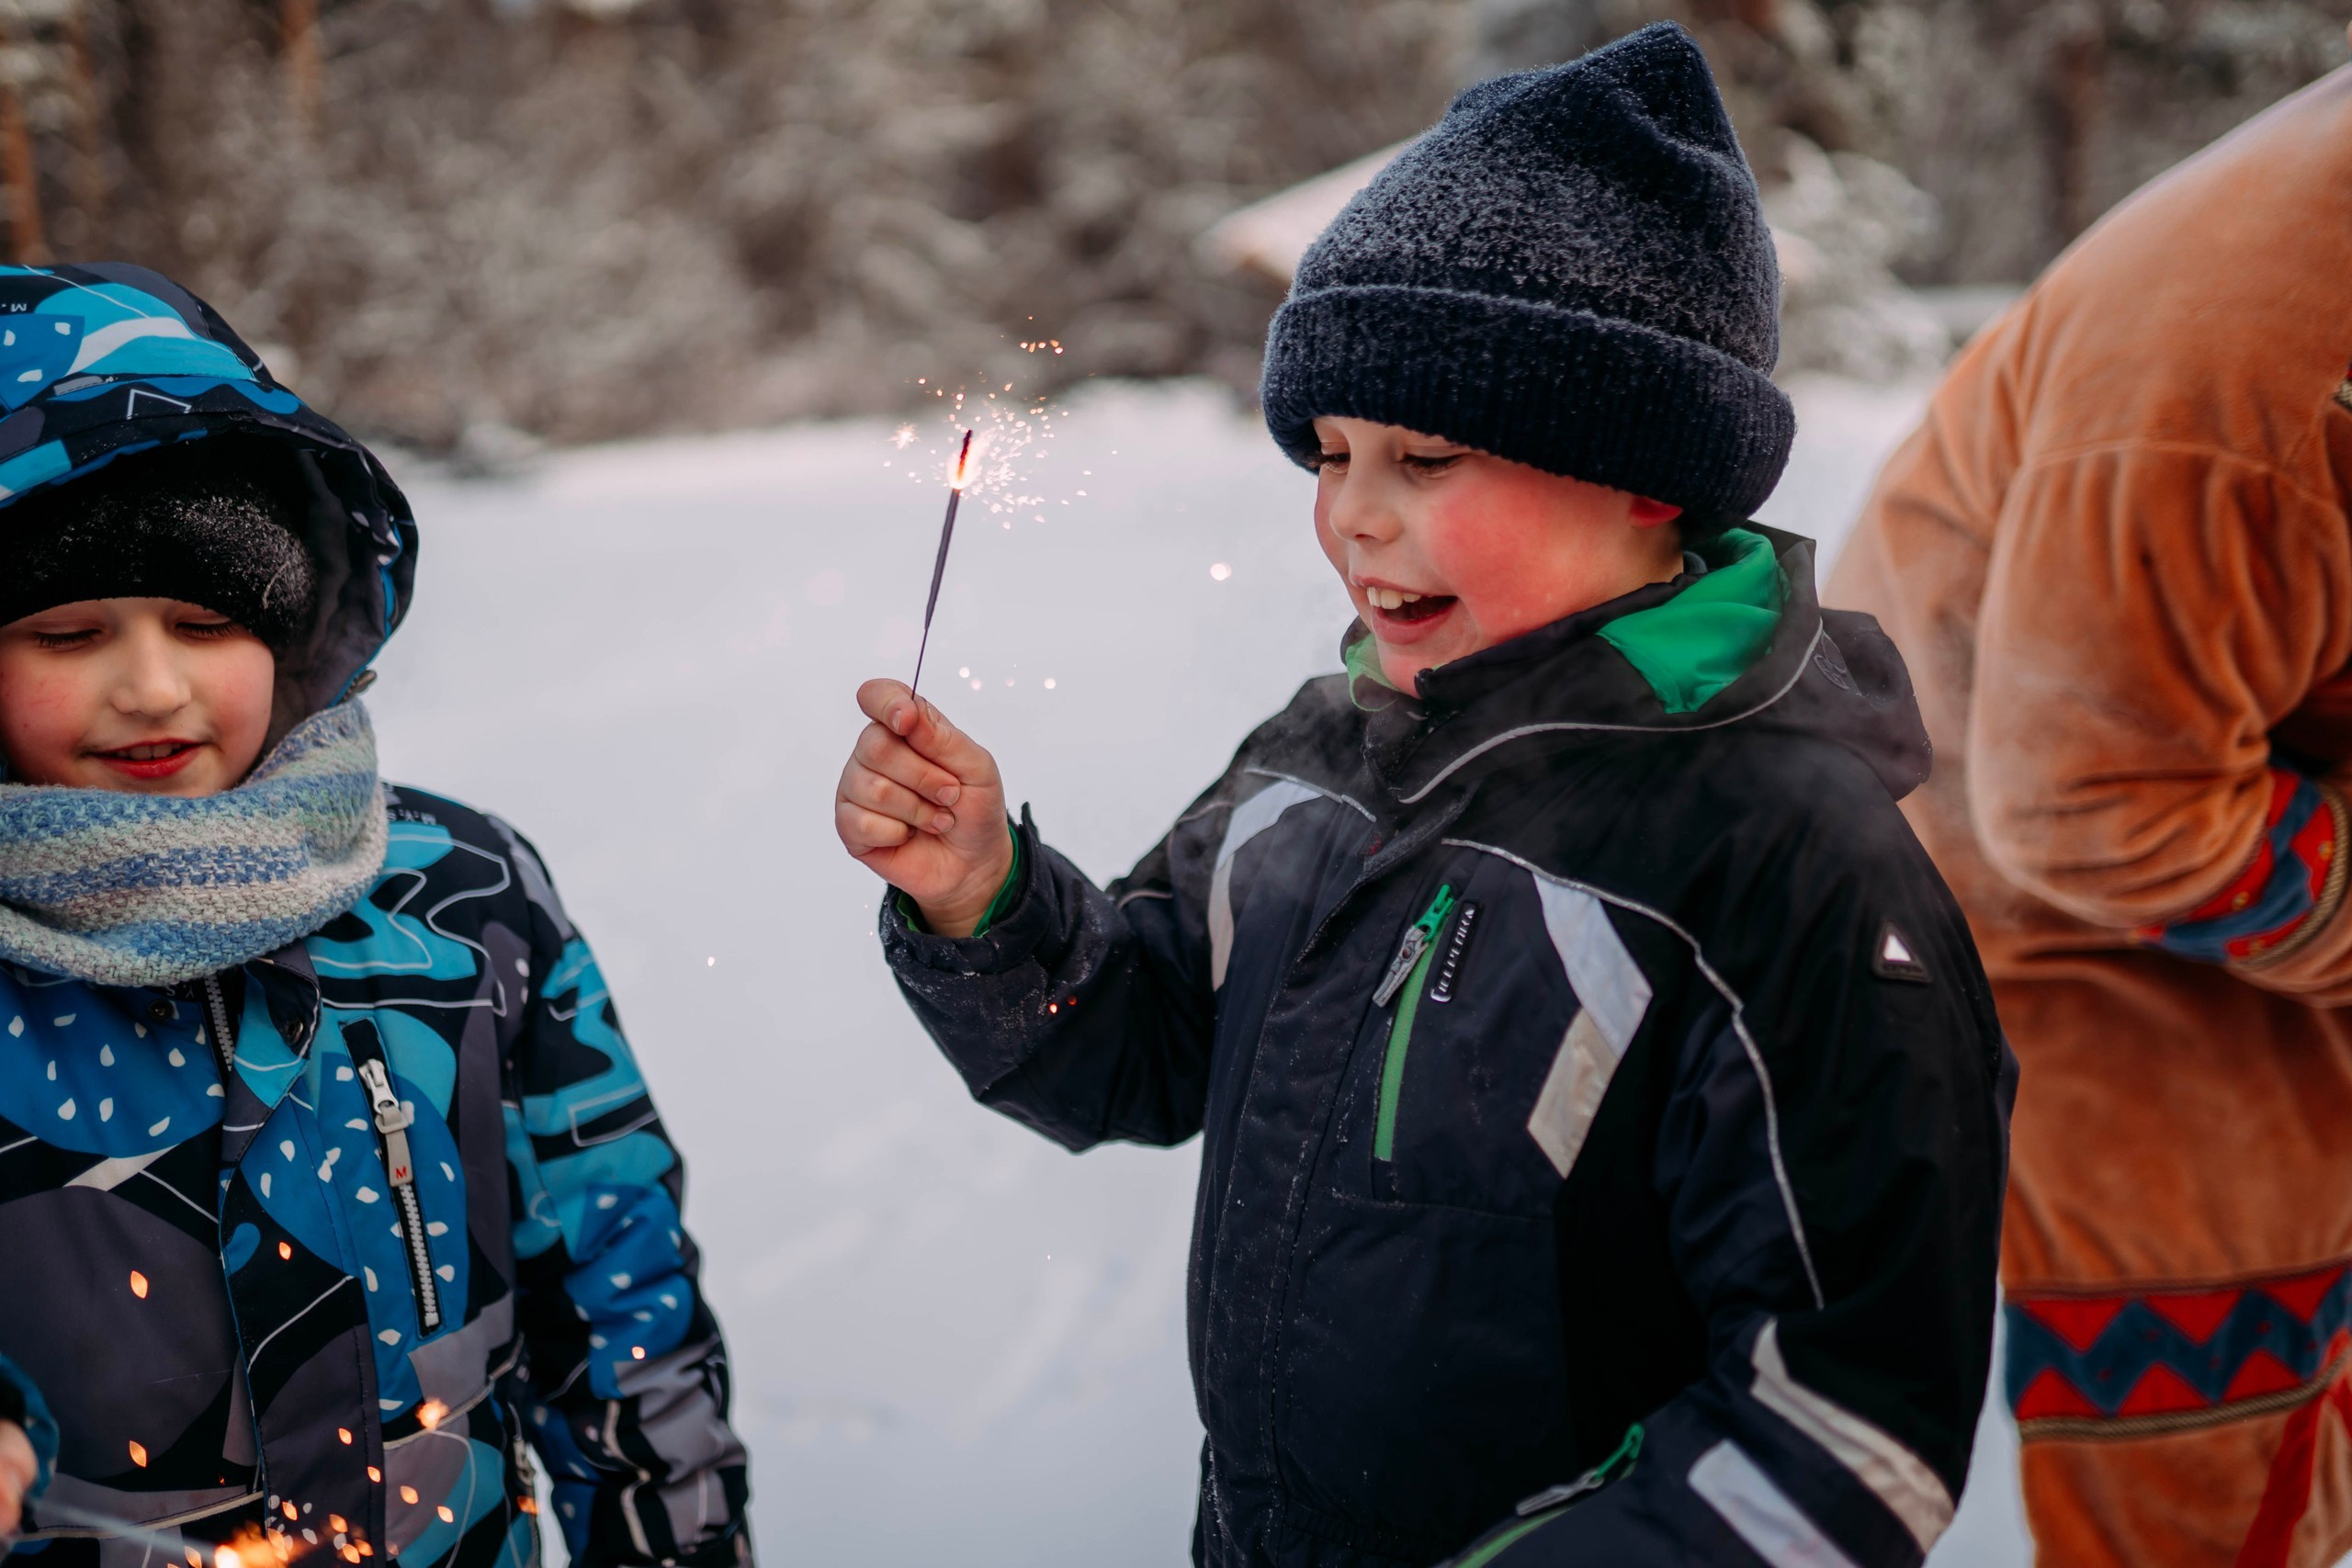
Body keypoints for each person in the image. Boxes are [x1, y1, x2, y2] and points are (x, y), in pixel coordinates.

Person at [835, 25, 2011, 1567]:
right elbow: (1131, 1051)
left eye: (1427, 455)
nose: (1352, 517)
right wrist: (984, 900)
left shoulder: (1785, 861)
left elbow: (1839, 1435)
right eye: (1329, 453)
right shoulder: (1317, 758)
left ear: (1648, 471)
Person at [0, 264, 751, 1568]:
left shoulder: (459, 894)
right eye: (70, 633)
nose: (152, 684)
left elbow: (623, 1304)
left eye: (206, 620)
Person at [1826, 53, 2352, 1568]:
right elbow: (2093, 807)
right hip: (2066, 911)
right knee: (2220, 1445)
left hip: (2231, 797)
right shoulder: (2249, 373)